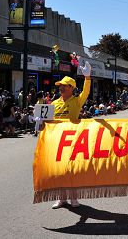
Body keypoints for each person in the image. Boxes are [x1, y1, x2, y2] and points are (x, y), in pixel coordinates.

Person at [51, 61, 92, 209]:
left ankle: (74, 198)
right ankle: (61, 199)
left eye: (64, 85)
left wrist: (87, 77)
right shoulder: (54, 103)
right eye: (60, 86)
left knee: (72, 170)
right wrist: (40, 122)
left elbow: (86, 92)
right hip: (56, 141)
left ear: (71, 88)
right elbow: (48, 121)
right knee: (59, 170)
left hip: (73, 140)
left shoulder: (77, 101)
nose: (61, 87)